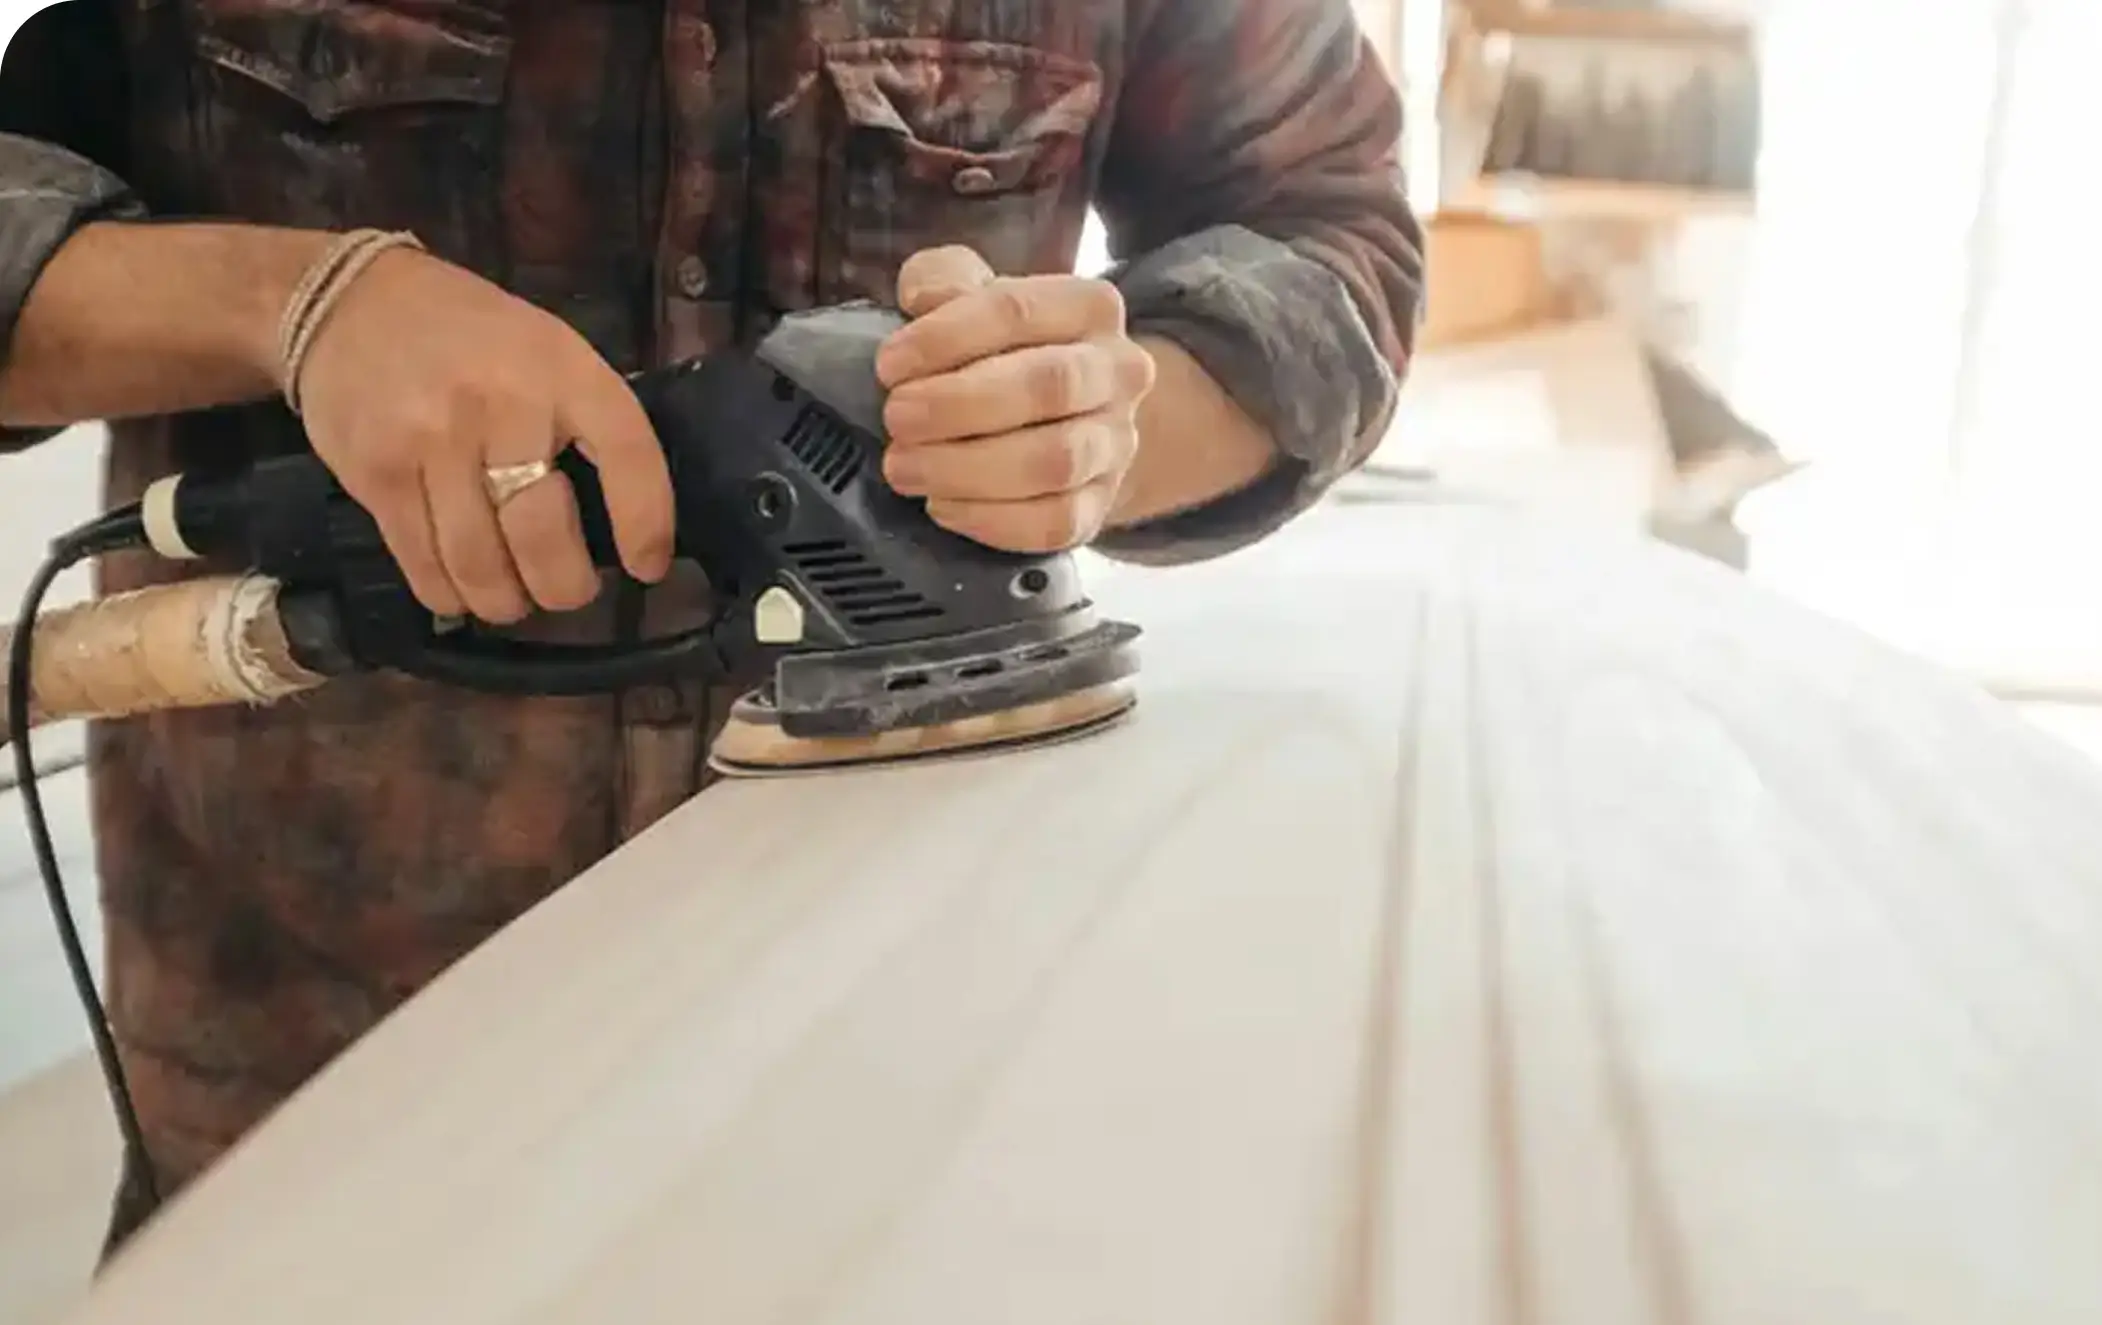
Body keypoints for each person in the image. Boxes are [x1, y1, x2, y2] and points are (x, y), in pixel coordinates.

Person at [0, 0, 1424, 1249]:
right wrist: (294, 303)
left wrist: (1121, 422)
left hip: (892, 1071)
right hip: (316, 1080)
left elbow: (1334, 236)